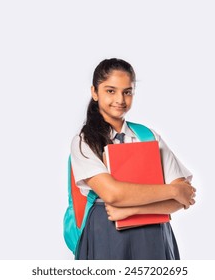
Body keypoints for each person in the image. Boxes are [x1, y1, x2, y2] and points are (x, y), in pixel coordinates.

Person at [70, 58, 196, 260]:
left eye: (127, 92)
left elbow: (184, 199)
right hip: (107, 230)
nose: (120, 99)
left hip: (154, 231)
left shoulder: (148, 136)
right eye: (110, 91)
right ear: (95, 92)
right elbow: (113, 194)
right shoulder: (84, 141)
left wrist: (131, 210)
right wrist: (173, 190)